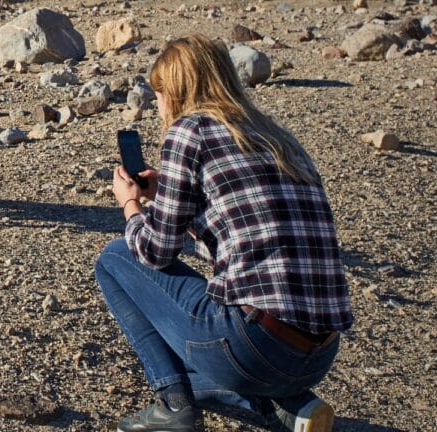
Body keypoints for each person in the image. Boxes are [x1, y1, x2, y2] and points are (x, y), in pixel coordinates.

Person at [94, 34, 353, 432]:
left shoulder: (188, 131)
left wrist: (130, 205)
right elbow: (245, 234)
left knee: (116, 257)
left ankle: (173, 405)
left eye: (158, 95)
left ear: (175, 92)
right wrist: (170, 193)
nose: (157, 106)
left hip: (254, 345)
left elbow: (155, 252)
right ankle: (286, 408)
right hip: (318, 355)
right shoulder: (277, 137)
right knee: (206, 375)